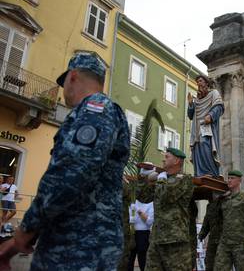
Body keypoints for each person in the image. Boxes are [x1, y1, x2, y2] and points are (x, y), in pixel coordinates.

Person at [0, 52, 131, 270]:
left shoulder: (95, 109)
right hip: (77, 242)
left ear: (72, 77)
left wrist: (27, 227)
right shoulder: (97, 111)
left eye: (63, 83)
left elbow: (71, 175)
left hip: (81, 246)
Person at [136, 147, 194, 271]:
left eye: (167, 157)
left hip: (175, 240)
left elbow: (167, 196)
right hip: (156, 238)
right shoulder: (161, 180)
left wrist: (161, 178)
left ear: (177, 160)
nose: (163, 159)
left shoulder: (184, 179)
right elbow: (143, 197)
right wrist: (142, 177)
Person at [214, 170, 244, 271]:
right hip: (225, 242)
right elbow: (217, 217)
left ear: (239, 180)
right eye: (228, 178)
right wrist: (219, 198)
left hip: (241, 243)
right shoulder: (224, 199)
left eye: (232, 178)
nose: (229, 180)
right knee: (219, 268)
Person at [187, 75, 224, 177]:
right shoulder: (197, 100)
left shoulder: (214, 93)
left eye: (200, 81)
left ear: (206, 83)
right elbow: (190, 116)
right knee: (196, 148)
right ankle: (199, 173)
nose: (198, 83)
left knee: (205, 144)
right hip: (197, 127)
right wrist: (190, 104)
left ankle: (211, 172)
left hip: (207, 127)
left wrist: (211, 115)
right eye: (197, 82)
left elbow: (219, 107)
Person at [127, 198, 154, 271]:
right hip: (131, 233)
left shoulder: (150, 203)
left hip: (143, 233)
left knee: (143, 260)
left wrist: (138, 210)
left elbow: (149, 222)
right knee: (129, 260)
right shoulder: (131, 201)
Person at [198, 195, 222, 271]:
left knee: (222, 264)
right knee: (209, 263)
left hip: (223, 240)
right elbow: (206, 222)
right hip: (212, 240)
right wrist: (201, 236)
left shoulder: (225, 203)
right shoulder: (210, 206)